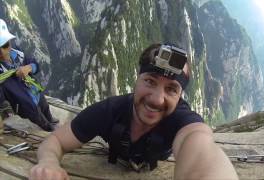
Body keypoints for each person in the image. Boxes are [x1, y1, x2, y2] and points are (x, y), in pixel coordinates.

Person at [29, 43, 238, 179]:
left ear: (180, 95)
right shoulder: (110, 110)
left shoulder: (183, 120)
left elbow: (200, 144)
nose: (157, 99)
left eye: (171, 89)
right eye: (150, 81)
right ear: (136, 81)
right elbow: (55, 141)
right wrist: (49, 162)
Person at [0, 18, 57, 132]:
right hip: (25, 106)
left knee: (45, 108)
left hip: (36, 93)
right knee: (42, 123)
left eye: (5, 45)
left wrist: (29, 67)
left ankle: (50, 121)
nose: (2, 52)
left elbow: (36, 64)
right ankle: (51, 132)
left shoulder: (17, 54)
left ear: (10, 43)